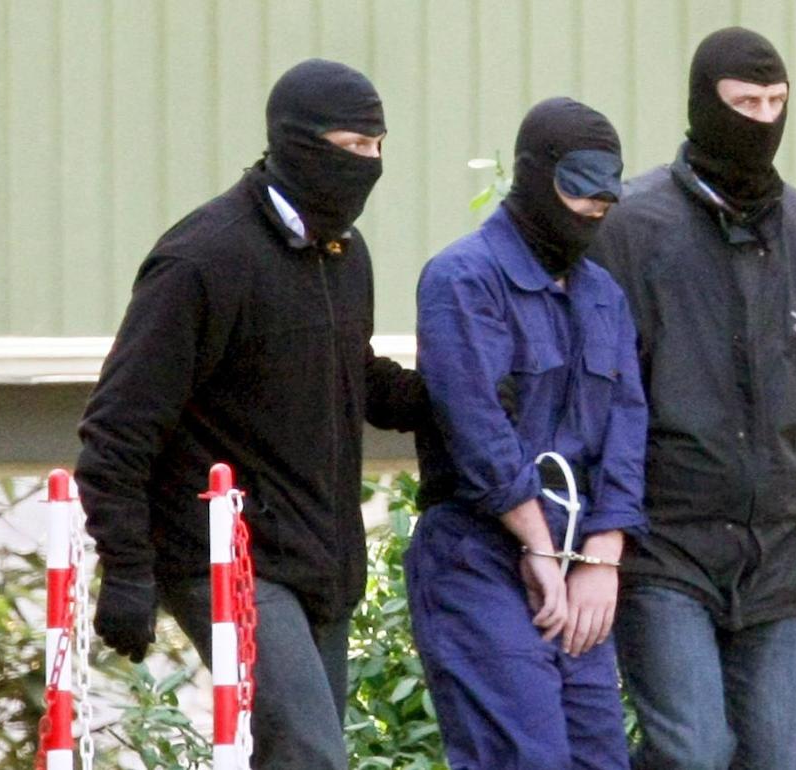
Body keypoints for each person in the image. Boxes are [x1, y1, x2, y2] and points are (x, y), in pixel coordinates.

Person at [74, 59, 427, 769]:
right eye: (351, 145)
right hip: (225, 557)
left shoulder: (344, 254)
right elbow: (118, 427)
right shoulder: (202, 259)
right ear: (295, 142)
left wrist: (459, 397)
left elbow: (352, 374)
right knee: (310, 756)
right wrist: (129, 568)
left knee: (308, 756)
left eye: (377, 146)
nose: (368, 163)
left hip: (321, 561)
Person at [589, 27, 796, 770]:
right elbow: (590, 397)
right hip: (663, 548)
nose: (763, 120)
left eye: (777, 103)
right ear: (703, 105)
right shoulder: (632, 231)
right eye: (745, 104)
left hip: (774, 557)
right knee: (693, 753)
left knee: (776, 758)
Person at [407, 97, 647, 770]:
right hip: (478, 553)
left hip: (578, 558)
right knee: (522, 755)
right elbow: (478, 427)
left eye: (607, 191)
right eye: (579, 187)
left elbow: (627, 426)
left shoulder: (604, 294)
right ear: (535, 176)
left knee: (599, 757)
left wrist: (602, 556)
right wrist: (537, 545)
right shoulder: (463, 278)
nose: (596, 207)